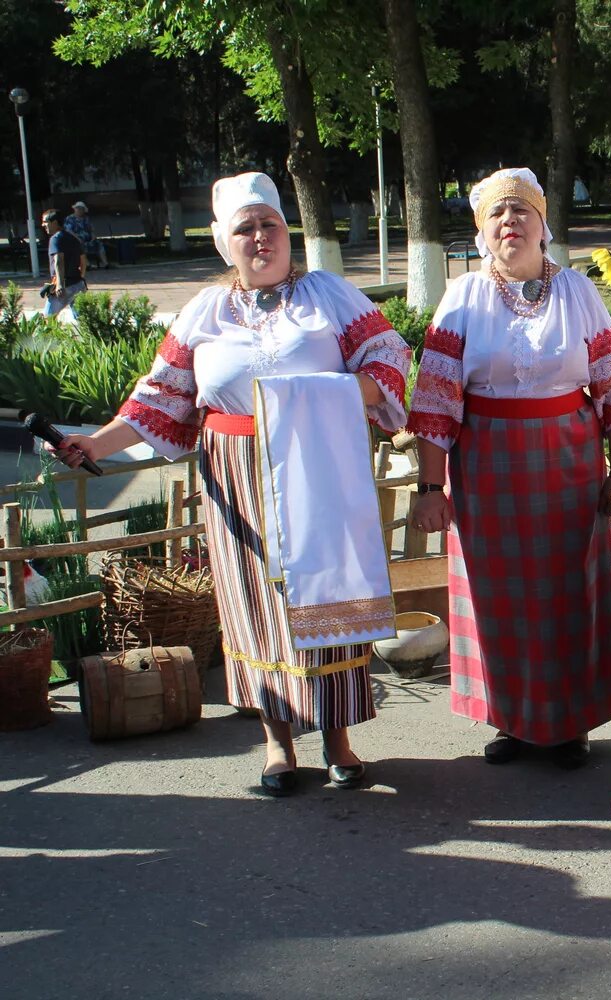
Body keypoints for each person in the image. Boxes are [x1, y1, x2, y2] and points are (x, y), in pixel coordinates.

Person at [50, 171, 411, 797]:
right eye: (245, 229)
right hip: (236, 471)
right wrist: (93, 444)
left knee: (320, 599)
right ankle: (276, 742)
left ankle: (339, 739)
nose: (260, 238)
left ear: (287, 231)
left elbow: (389, 361)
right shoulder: (205, 312)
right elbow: (157, 402)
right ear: (224, 243)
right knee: (258, 605)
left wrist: (318, 400)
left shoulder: (328, 296)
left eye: (269, 225)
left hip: (316, 463)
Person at [406, 167, 611, 771]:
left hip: (569, 459)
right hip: (486, 464)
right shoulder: (462, 297)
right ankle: (509, 718)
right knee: (499, 594)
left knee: (569, 590)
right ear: (483, 231)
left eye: (522, 212)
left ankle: (569, 723)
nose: (510, 223)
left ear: (543, 224)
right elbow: (434, 401)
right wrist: (432, 487)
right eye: (497, 215)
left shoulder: (579, 294)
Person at [40, 209, 86, 317]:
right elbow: (83, 260)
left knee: (48, 319)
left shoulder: (55, 239)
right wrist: (82, 278)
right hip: (77, 284)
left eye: (45, 222)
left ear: (54, 222)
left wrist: (60, 285)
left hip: (64, 287)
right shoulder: (73, 238)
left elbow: (58, 260)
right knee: (83, 319)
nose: (43, 225)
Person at [64, 201, 107, 269]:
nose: (79, 210)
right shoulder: (70, 219)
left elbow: (91, 230)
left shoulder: (86, 219)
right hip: (76, 239)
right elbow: (69, 231)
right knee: (79, 245)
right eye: (78, 208)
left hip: (88, 238)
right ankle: (87, 264)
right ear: (75, 209)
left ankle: (105, 264)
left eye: (81, 209)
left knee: (99, 244)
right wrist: (77, 238)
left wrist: (93, 237)